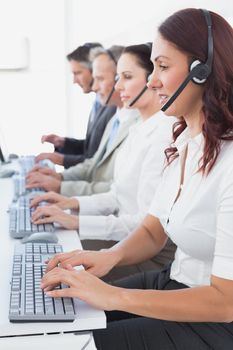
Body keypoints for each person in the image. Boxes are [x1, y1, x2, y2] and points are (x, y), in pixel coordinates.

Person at [40, 8, 233, 349]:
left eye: (163, 66)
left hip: (214, 317)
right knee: (68, 316)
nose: (152, 80)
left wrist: (113, 296)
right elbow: (151, 230)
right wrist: (108, 258)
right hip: (174, 280)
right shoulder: (185, 142)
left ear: (201, 71)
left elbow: (224, 302)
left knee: (80, 343)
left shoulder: (229, 162)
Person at [30, 44, 177, 280]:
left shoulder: (164, 136)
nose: (118, 86)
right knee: (47, 254)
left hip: (145, 255)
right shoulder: (139, 129)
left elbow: (144, 225)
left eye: (127, 77)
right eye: (118, 77)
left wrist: (76, 220)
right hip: (124, 236)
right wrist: (70, 203)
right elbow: (115, 195)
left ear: (152, 80)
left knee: (51, 264)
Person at [26, 46, 140, 196]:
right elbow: (94, 162)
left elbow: (117, 188)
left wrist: (62, 185)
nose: (94, 86)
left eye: (99, 78)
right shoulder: (115, 117)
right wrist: (60, 176)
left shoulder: (134, 124)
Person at [36, 42, 116, 168]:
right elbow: (93, 147)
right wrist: (64, 143)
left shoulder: (113, 106)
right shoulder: (98, 102)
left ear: (93, 70)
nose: (74, 80)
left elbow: (98, 161)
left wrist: (61, 160)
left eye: (77, 73)